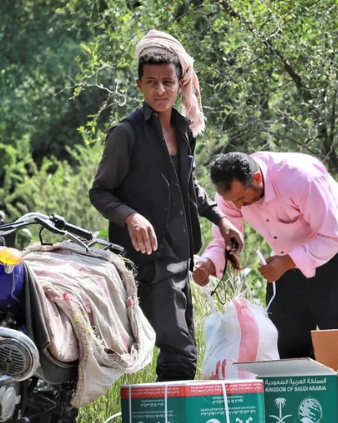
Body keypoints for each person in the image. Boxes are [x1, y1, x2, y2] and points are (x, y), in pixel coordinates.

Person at [89, 30, 243, 382]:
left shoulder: (183, 128)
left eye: (168, 82)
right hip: (145, 261)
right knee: (180, 352)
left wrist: (220, 219)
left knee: (180, 351)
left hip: (179, 256)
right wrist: (131, 216)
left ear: (179, 83)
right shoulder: (125, 134)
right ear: (140, 85)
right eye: (152, 82)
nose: (161, 90)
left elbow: (187, 185)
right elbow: (100, 192)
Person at [192, 151, 338, 360]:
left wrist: (289, 262)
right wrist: (209, 262)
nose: (236, 207)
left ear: (256, 178)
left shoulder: (301, 178)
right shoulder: (230, 194)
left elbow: (332, 235)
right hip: (285, 252)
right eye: (230, 201)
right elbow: (225, 240)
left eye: (241, 199)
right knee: (286, 334)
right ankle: (297, 391)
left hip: (335, 245)